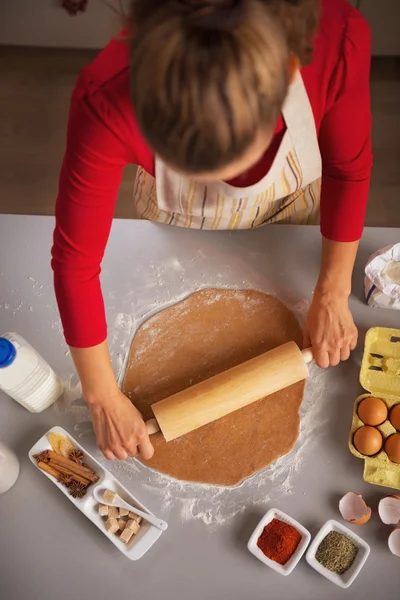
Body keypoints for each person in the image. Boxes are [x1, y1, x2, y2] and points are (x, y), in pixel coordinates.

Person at [52, 0, 372, 461]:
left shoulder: (335, 38)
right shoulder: (108, 98)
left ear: (283, 79)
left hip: (291, 206)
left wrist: (332, 291)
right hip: (181, 223)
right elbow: (75, 259)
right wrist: (101, 394)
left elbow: (348, 168)